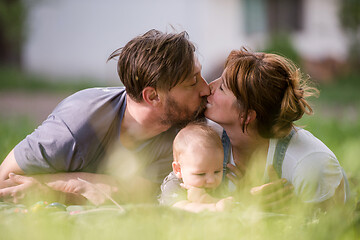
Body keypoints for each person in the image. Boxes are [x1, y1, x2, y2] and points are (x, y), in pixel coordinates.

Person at [0, 29, 210, 205]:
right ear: (152, 96)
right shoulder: (76, 125)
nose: (206, 88)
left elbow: (135, 193)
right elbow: (5, 181)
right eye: (192, 82)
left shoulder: (183, 132)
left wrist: (62, 185)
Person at [205, 48, 350, 211]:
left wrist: (288, 214)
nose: (209, 87)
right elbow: (172, 199)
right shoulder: (205, 139)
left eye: (222, 88)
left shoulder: (310, 163)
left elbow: (334, 229)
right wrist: (243, 202)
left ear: (246, 115)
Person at [159, 122, 233, 212]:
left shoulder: (215, 184)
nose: (212, 180)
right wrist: (212, 206)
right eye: (201, 174)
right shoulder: (174, 184)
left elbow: (224, 204)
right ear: (178, 169)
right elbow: (180, 209)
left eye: (217, 172)